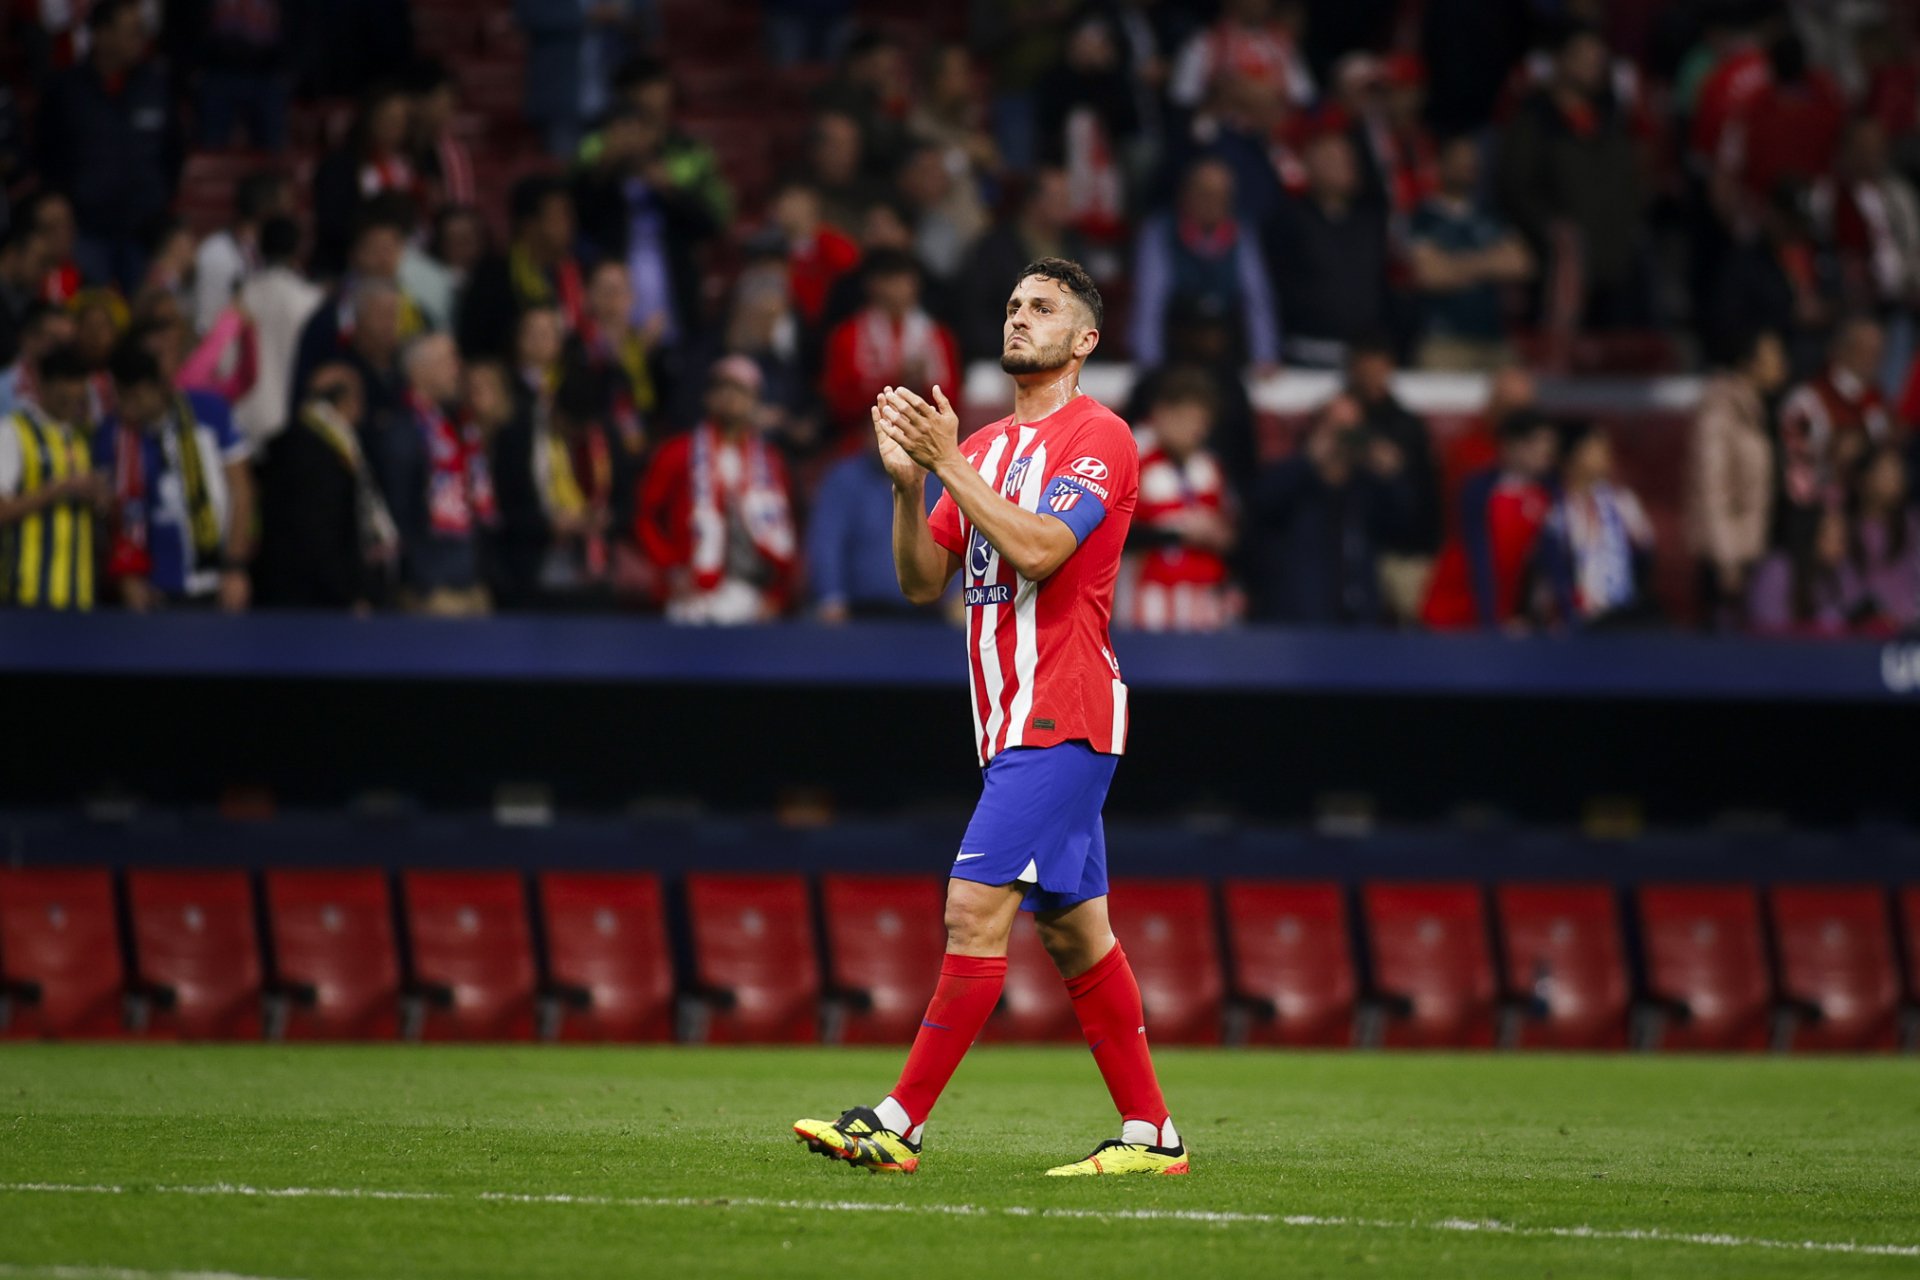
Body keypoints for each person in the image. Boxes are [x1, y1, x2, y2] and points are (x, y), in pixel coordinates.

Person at [793, 256, 1187, 1178]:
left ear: (1084, 340)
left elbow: (1045, 549)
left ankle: (897, 1121)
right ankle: (1151, 1134)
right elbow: (920, 579)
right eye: (1013, 305)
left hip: (1064, 712)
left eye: (1043, 308)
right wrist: (908, 486)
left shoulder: (1101, 436)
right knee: (1075, 930)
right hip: (1009, 720)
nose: (1020, 319)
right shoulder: (984, 448)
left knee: (973, 909)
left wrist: (947, 465)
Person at [34, 0, 183, 295]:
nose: (140, 39)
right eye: (131, 31)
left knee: (144, 320)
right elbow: (45, 154)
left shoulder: (157, 85)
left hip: (144, 232)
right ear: (102, 34)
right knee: (88, 315)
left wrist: (157, 200)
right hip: (86, 230)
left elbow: (174, 153)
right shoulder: (66, 89)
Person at [635, 356, 797, 624]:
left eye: (741, 391)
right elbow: (645, 517)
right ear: (708, 397)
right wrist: (670, 569)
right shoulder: (677, 452)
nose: (731, 397)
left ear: (755, 402)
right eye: (723, 388)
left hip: (752, 596)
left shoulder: (770, 462)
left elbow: (786, 530)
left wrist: (777, 595)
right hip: (692, 595)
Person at [98, 340, 254, 611]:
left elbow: (241, 491)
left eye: (128, 396)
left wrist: (236, 567)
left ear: (151, 388)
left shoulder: (210, 412)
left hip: (215, 579)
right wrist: (127, 577)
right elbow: (112, 514)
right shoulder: (114, 435)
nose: (123, 407)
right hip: (153, 587)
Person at [1248, 392, 1413, 625]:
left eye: (1353, 430)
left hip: (1357, 620)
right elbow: (1262, 506)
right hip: (1299, 623)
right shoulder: (1291, 475)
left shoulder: (1367, 487)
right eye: (1336, 427)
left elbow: (1405, 528)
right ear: (1317, 428)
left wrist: (1392, 477)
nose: (1343, 438)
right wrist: (1308, 461)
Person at [253, 361, 399, 610]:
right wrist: (350, 593)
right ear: (345, 400)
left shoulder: (298, 442)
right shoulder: (324, 454)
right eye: (359, 396)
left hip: (288, 593)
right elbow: (320, 535)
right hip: (314, 604)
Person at [490, 365, 634, 609]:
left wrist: (608, 518)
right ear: (553, 405)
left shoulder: (606, 436)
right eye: (566, 424)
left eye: (580, 428)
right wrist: (548, 524)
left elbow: (626, 500)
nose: (572, 433)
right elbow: (502, 509)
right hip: (532, 576)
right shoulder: (519, 434)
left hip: (594, 576)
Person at [1129, 157, 1278, 371]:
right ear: (1186, 194)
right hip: (1176, 351)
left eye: (1222, 195)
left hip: (1228, 353)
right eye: (1205, 193)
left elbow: (1257, 300)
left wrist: (1265, 355)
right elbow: (1150, 302)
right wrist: (1149, 362)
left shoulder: (1243, 234)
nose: (1213, 202)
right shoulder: (1160, 232)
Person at [1420, 409, 1558, 631]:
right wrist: (1490, 622)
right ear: (1512, 445)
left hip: (1504, 603)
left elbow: (1549, 561)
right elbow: (1479, 556)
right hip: (1462, 598)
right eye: (1537, 445)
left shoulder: (1550, 494)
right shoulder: (1478, 489)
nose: (1545, 453)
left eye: (1549, 447)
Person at [1264, 130, 1391, 369]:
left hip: (1362, 357)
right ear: (1308, 166)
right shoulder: (1288, 220)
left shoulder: (1371, 221)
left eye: (1348, 160)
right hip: (1302, 353)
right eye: (1331, 159)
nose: (1344, 166)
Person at [1121, 369, 1236, 631]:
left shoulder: (1209, 467)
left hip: (1204, 606)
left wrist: (1222, 536)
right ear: (1161, 414)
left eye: (1203, 422)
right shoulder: (1130, 460)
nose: (1196, 430)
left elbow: (1229, 531)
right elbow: (1115, 534)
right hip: (1147, 608)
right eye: (1188, 420)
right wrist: (1177, 533)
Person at [1408, 135, 1533, 370]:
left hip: (1493, 338)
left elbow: (1522, 263)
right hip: (1444, 340)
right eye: (1458, 161)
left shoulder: (1489, 215)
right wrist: (1491, 263)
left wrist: (1455, 265)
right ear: (1441, 165)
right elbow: (1430, 275)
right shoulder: (1424, 217)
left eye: (1471, 163)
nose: (1466, 168)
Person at [819, 250, 962, 453]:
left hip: (927, 443)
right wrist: (895, 381)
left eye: (904, 279)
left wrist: (923, 383)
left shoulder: (938, 336)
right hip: (861, 445)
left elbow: (952, 401)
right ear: (872, 285)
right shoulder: (848, 336)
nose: (899, 288)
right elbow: (839, 404)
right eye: (890, 279)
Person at [1691, 328, 1788, 628]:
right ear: (1749, 362)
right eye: (1773, 356)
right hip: (1726, 557)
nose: (1782, 363)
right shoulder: (1720, 409)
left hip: (1751, 548)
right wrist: (1726, 558)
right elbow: (1712, 488)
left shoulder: (1758, 409)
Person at [0, 344, 108, 609]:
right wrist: (58, 489)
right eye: (64, 398)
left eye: (78, 397)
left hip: (79, 596)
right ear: (42, 386)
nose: (72, 404)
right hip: (24, 596)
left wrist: (100, 500)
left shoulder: (83, 437)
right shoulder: (13, 432)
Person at [1345, 334, 1442, 619]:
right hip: (1349, 544)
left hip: (1401, 549)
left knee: (1412, 622)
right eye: (1365, 368)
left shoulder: (1407, 424)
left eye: (1379, 367)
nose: (1372, 375)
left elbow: (1425, 491)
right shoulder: (1337, 416)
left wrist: (1395, 471)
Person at [806, 427, 945, 623]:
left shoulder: (932, 481)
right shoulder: (844, 479)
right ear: (868, 436)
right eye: (881, 431)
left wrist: (957, 595)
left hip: (927, 616)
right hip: (861, 614)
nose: (890, 440)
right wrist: (831, 596)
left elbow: (951, 539)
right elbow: (827, 542)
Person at [1777, 317, 1890, 554]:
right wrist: (1832, 460)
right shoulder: (1806, 402)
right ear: (1841, 349)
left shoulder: (1876, 405)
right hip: (1815, 529)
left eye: (1879, 350)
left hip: (1863, 526)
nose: (1874, 358)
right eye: (1864, 348)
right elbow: (1794, 476)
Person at [1536, 419, 1657, 630]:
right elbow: (1552, 570)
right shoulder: (1556, 510)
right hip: (1576, 620)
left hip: (1623, 617)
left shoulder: (1623, 503)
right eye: (1596, 447)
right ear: (1573, 456)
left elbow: (1645, 556)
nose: (1606, 454)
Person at [958, 168, 1088, 363]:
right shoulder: (996, 248)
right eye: (1058, 197)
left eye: (1067, 196)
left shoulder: (1075, 245)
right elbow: (976, 313)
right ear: (1033, 201)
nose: (1066, 204)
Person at [458, 176, 583, 362]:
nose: (570, 223)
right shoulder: (494, 279)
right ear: (529, 225)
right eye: (559, 215)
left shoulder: (572, 274)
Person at [193, 170, 292, 337]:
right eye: (285, 205)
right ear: (266, 207)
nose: (290, 212)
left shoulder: (271, 252)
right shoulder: (216, 253)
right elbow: (206, 324)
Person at [0, 302, 76, 416]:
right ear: (26, 335)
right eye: (51, 338)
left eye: (59, 342)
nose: (50, 347)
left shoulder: (69, 384)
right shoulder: (5, 382)